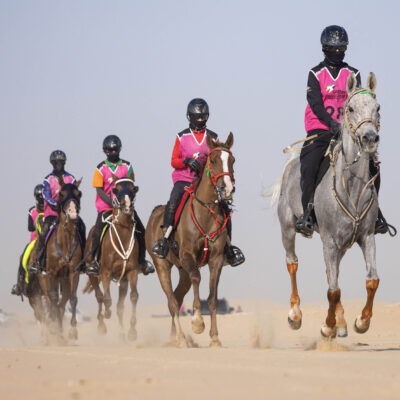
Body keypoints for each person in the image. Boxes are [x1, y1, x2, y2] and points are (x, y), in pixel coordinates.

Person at [296, 25, 395, 237]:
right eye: (334, 48)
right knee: (309, 165)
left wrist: (349, 126)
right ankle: (308, 213)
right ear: (324, 48)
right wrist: (332, 123)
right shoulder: (315, 73)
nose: (338, 52)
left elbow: (358, 102)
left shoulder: (353, 73)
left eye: (341, 48)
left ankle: (376, 214)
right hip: (320, 129)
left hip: (349, 132)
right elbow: (315, 103)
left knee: (372, 165)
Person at [151, 98, 245, 266]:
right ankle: (164, 240)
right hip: (183, 179)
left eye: (203, 117)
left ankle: (229, 247)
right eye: (197, 117)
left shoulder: (213, 137)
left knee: (225, 208)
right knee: (173, 201)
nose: (201, 120)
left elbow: (220, 161)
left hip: (204, 181)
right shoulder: (182, 136)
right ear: (190, 117)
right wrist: (186, 161)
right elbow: (173, 160)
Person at [84, 135, 155, 276]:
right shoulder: (100, 168)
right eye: (109, 150)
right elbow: (99, 189)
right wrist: (111, 202)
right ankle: (95, 262)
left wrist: (127, 202)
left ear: (119, 149)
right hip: (106, 207)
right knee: (97, 232)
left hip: (126, 207)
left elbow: (131, 186)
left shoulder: (127, 166)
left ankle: (142, 261)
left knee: (142, 231)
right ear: (105, 151)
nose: (112, 153)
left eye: (115, 150)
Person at [30, 150, 86, 273]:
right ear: (52, 163)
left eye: (61, 162)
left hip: (68, 213)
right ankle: (39, 261)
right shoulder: (48, 179)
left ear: (64, 163)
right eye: (56, 162)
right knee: (44, 231)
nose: (59, 165)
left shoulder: (71, 178)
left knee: (82, 226)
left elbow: (74, 194)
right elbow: (46, 196)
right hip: (52, 213)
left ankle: (83, 261)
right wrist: (57, 204)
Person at [11, 184, 44, 296]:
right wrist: (39, 223)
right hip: (35, 240)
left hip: (48, 239)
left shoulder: (51, 209)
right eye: (39, 196)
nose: (41, 198)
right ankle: (19, 284)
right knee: (24, 258)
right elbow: (30, 227)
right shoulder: (32, 211)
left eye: (43, 196)